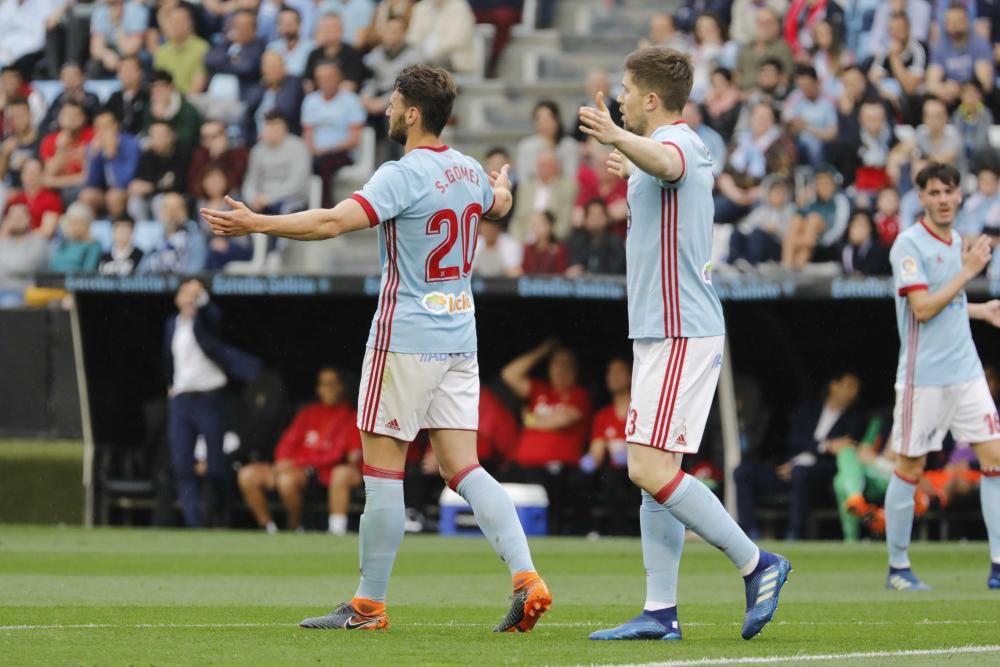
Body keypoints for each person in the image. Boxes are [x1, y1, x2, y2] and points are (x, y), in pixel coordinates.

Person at [201, 64, 551, 632]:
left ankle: (368, 604)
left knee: (382, 472)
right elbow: (502, 204)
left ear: (413, 113)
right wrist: (504, 182)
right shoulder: (467, 169)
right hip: (460, 336)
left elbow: (332, 223)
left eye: (393, 103)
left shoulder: (401, 173)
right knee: (465, 469)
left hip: (406, 336)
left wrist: (257, 224)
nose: (387, 111)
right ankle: (525, 575)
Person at [578, 46, 790, 642]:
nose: (618, 96)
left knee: (647, 467)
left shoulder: (684, 141)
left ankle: (758, 563)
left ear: (650, 99)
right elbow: (658, 171)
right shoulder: (656, 153)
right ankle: (660, 611)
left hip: (680, 330)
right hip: (658, 331)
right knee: (655, 470)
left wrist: (618, 138)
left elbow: (670, 164)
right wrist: (629, 158)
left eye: (624, 88)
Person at [884, 161, 1000, 591]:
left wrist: (978, 309)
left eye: (950, 191)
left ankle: (998, 566)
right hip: (923, 376)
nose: (944, 199)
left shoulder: (955, 242)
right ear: (922, 198)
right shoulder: (908, 245)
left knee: (995, 459)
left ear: (960, 195)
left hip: (965, 371)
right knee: (910, 466)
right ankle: (898, 568)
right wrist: (969, 273)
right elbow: (923, 308)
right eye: (935, 193)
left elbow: (946, 301)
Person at [164, 278, 260, 528]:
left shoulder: (206, 321)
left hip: (208, 398)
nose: (189, 297)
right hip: (182, 399)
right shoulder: (171, 325)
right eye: (185, 291)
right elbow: (168, 358)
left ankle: (218, 518)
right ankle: (193, 523)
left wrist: (201, 300)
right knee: (183, 464)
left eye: (195, 293)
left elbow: (211, 316)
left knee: (215, 465)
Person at [734, 371, 865, 540]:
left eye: (856, 388)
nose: (854, 392)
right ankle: (748, 532)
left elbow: (844, 454)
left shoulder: (855, 420)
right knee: (743, 472)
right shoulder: (807, 412)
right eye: (850, 386)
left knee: (800, 473)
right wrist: (825, 445)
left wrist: (810, 456)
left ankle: (793, 534)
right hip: (786, 469)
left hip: (818, 477)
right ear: (834, 386)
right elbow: (794, 440)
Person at [238, 367, 362, 534]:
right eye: (323, 384)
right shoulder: (308, 412)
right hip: (290, 468)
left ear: (342, 387)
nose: (327, 389)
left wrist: (296, 463)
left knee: (286, 481)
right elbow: (286, 443)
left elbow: (337, 455)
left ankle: (295, 527)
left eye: (332, 384)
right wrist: (283, 461)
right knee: (247, 474)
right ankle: (268, 528)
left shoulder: (349, 415)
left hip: (318, 473)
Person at [501, 341, 592, 534]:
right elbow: (509, 374)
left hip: (557, 471)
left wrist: (530, 419)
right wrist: (542, 351)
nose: (561, 369)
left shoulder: (579, 394)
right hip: (521, 467)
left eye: (567, 365)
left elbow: (563, 419)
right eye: (557, 364)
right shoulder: (539, 390)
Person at [580, 357, 638, 535]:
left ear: (630, 375)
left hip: (640, 469)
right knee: (606, 479)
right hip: (616, 474)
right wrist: (588, 461)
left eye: (619, 372)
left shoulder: (640, 409)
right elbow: (596, 454)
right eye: (610, 373)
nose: (613, 377)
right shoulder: (603, 416)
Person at [301, 60, 366, 209]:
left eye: (330, 77)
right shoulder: (310, 101)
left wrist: (329, 149)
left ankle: (326, 209)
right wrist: (313, 149)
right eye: (321, 78)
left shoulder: (351, 100)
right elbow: (308, 133)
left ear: (339, 78)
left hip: (342, 152)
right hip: (316, 153)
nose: (326, 82)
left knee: (324, 164)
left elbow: (354, 139)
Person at [242, 111, 311, 215]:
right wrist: (252, 199)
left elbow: (297, 183)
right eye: (269, 126)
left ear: (285, 128)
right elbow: (251, 181)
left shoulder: (298, 147)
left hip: (291, 199)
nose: (272, 130)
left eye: (276, 126)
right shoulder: (257, 151)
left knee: (285, 208)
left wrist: (270, 198)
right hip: (261, 200)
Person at [80, 109, 141, 220]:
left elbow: (126, 180)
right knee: (87, 195)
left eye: (106, 127)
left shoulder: (130, 144)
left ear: (115, 126)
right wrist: (94, 157)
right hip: (104, 191)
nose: (102, 131)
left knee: (113, 196)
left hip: (126, 191)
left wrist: (112, 157)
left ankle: (117, 228)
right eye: (98, 128)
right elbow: (91, 183)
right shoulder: (94, 146)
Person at [128, 120, 190, 221]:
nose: (156, 139)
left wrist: (152, 187)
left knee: (158, 201)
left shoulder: (182, 154)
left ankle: (165, 234)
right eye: (153, 135)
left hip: (176, 196)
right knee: (135, 202)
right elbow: (138, 182)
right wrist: (137, 186)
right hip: (152, 195)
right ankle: (143, 232)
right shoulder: (148, 155)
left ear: (172, 136)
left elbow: (179, 184)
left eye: (161, 135)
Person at [241, 50, 304, 146]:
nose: (272, 70)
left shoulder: (294, 84)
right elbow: (248, 114)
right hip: (258, 143)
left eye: (276, 65)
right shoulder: (258, 89)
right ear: (262, 69)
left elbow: (287, 110)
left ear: (284, 68)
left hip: (285, 141)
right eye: (268, 66)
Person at [203, 10, 266, 102]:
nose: (239, 29)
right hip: (211, 95)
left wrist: (221, 65)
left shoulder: (258, 46)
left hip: (240, 98)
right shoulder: (226, 44)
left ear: (254, 30)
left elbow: (246, 68)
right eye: (236, 26)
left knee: (216, 113)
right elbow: (208, 60)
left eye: (244, 27)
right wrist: (230, 59)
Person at [139, 192, 206, 273]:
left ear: (185, 211)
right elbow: (141, 271)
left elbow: (194, 270)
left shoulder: (194, 237)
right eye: (167, 208)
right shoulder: (154, 239)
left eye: (177, 208)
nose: (172, 213)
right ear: (161, 212)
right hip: (155, 283)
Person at [405, 0, 476, 75]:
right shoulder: (421, 7)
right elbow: (412, 38)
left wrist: (433, 52)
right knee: (408, 60)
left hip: (452, 59)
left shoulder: (460, 6)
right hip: (422, 56)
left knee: (436, 61)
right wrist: (422, 53)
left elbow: (458, 40)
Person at [152, 4, 209, 94]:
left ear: (190, 23)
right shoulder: (161, 52)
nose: (176, 25)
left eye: (180, 21)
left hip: (192, 102)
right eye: (173, 21)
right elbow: (160, 85)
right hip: (168, 102)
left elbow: (198, 86)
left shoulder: (202, 48)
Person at [188, 119, 248, 202]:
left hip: (233, 197)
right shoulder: (200, 154)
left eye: (214, 137)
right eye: (205, 138)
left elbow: (238, 180)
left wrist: (220, 157)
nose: (209, 141)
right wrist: (214, 158)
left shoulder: (238, 153)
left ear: (225, 136)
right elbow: (194, 182)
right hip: (205, 198)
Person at [87, 0, 148, 79]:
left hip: (131, 54)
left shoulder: (136, 10)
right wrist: (106, 56)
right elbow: (95, 48)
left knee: (139, 61)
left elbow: (131, 49)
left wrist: (117, 24)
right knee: (93, 66)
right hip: (111, 53)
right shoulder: (101, 11)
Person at [565, 198, 626, 277]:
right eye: (592, 214)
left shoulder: (616, 242)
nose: (596, 219)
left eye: (600, 215)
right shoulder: (576, 241)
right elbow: (573, 266)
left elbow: (617, 272)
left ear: (607, 219)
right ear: (585, 219)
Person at [143, 69, 202, 149]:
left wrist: (164, 118)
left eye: (160, 87)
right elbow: (145, 131)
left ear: (171, 87)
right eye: (153, 87)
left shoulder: (187, 109)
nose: (156, 91)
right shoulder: (149, 107)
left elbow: (188, 137)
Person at [5, 158, 62, 237]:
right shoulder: (16, 199)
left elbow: (47, 231)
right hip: (14, 244)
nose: (30, 176)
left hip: (39, 243)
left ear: (42, 175)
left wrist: (22, 239)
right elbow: (6, 228)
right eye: (27, 172)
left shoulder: (51, 199)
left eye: (34, 173)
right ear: (22, 175)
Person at [0, 202, 48, 292]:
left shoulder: (38, 241)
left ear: (28, 219)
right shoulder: (4, 240)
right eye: (12, 217)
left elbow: (24, 266)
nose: (16, 220)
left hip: (23, 291)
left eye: (20, 217)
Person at [50, 202, 102, 273]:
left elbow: (88, 271)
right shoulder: (63, 244)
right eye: (71, 222)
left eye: (77, 222)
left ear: (87, 223)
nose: (73, 227)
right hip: (55, 281)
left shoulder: (93, 245)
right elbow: (53, 266)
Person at [105, 56, 150, 136]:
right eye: (122, 70)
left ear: (140, 72)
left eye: (130, 70)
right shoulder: (114, 98)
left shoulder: (149, 96)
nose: (126, 74)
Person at [267, 6, 313, 78]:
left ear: (299, 24)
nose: (287, 26)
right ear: (278, 26)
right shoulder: (272, 48)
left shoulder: (311, 47)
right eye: (283, 23)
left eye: (290, 23)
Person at [521, 210, 568, 275]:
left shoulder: (559, 250)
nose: (537, 227)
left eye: (541, 224)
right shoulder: (527, 249)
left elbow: (560, 275)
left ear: (551, 226)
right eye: (534, 224)